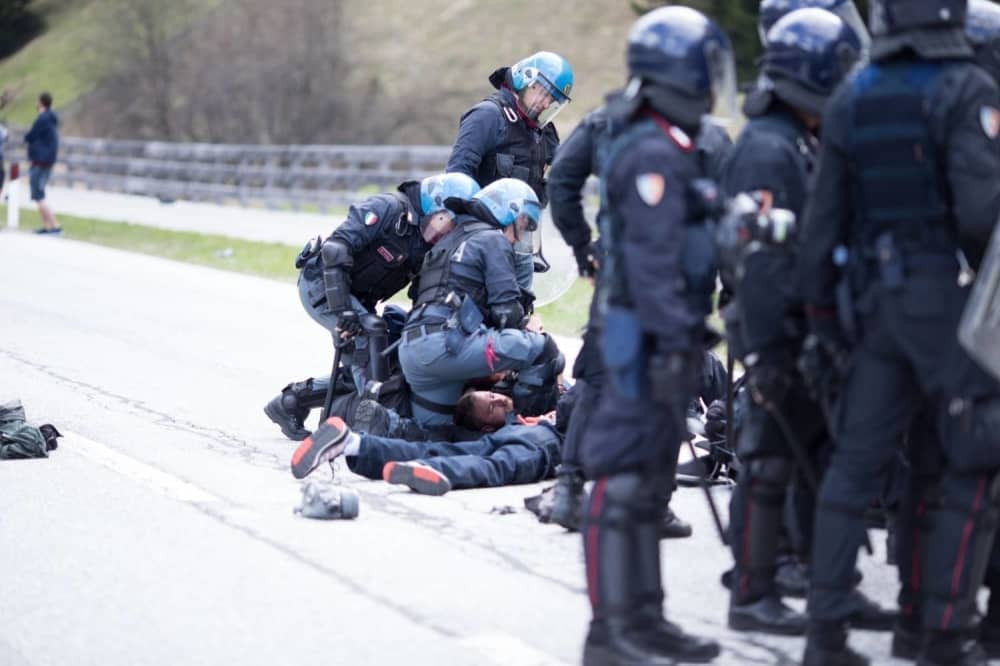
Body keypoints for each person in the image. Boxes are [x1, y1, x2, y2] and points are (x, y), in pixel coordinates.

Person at [796, 0, 1000, 663]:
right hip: (947, 303)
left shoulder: (855, 91)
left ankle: (824, 636)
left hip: (871, 307)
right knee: (969, 463)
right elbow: (979, 214)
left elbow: (820, 225)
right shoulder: (966, 86)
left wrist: (827, 323)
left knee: (856, 469)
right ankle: (935, 633)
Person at [716, 7, 885, 638]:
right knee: (768, 464)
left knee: (817, 459)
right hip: (776, 335)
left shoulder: (803, 137)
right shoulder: (767, 147)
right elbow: (757, 262)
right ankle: (753, 595)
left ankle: (826, 588)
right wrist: (766, 354)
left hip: (810, 332)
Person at [575, 6, 736, 664]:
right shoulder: (646, 148)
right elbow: (647, 264)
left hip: (667, 337)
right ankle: (610, 633)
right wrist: (676, 340)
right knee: (622, 483)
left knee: (648, 482)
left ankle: (646, 619)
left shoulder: (670, 142)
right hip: (641, 339)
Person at [544, 93, 732, 536]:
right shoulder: (711, 136)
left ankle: (571, 489)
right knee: (671, 387)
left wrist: (582, 246)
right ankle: (654, 503)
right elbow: (728, 216)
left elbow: (562, 181)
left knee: (598, 377)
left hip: (623, 274)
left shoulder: (605, 120)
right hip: (685, 282)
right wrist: (733, 284)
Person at [263, 173, 481, 440]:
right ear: (436, 208)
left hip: (360, 300)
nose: (449, 232)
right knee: (368, 341)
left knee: (383, 357)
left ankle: (292, 402)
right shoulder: (388, 208)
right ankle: (376, 427)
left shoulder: (425, 242)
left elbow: (423, 292)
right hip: (322, 285)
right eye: (450, 222)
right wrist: (344, 310)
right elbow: (335, 250)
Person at [398, 178, 565, 429]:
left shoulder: (447, 242)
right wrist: (528, 325)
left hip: (412, 350)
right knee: (542, 350)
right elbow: (507, 315)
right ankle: (527, 434)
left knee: (433, 438)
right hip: (447, 347)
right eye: (523, 225)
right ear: (507, 213)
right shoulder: (492, 240)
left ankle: (376, 438)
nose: (519, 238)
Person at [446, 51, 573, 287]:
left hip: (521, 244)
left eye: (552, 100)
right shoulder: (487, 116)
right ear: (525, 78)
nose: (546, 103)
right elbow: (457, 177)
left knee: (518, 313)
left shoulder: (543, 133)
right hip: (479, 242)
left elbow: (563, 175)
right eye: (544, 93)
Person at [289, 389, 571, 494]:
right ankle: (431, 469)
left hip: (530, 431)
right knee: (499, 467)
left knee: (436, 450)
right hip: (548, 437)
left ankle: (351, 444)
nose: (497, 399)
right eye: (491, 400)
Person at [24, 92, 60, 234]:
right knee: (39, 193)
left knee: (38, 194)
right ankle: (46, 226)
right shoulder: (51, 118)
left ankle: (56, 226)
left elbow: (31, 136)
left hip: (40, 160)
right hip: (46, 160)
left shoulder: (43, 119)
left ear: (40, 102)